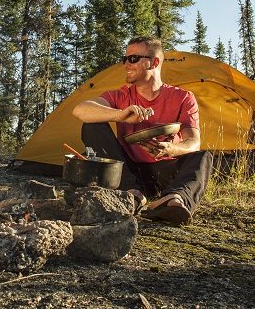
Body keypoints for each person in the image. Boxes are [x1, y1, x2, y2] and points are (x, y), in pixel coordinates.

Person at [72, 36, 213, 225]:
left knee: (203, 156)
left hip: (165, 171)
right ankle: (132, 195)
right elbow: (79, 110)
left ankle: (174, 200)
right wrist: (120, 115)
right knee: (92, 125)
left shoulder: (183, 98)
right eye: (125, 59)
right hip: (127, 171)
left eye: (133, 59)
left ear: (154, 62)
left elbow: (193, 142)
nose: (126, 65)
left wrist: (172, 149)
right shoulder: (121, 95)